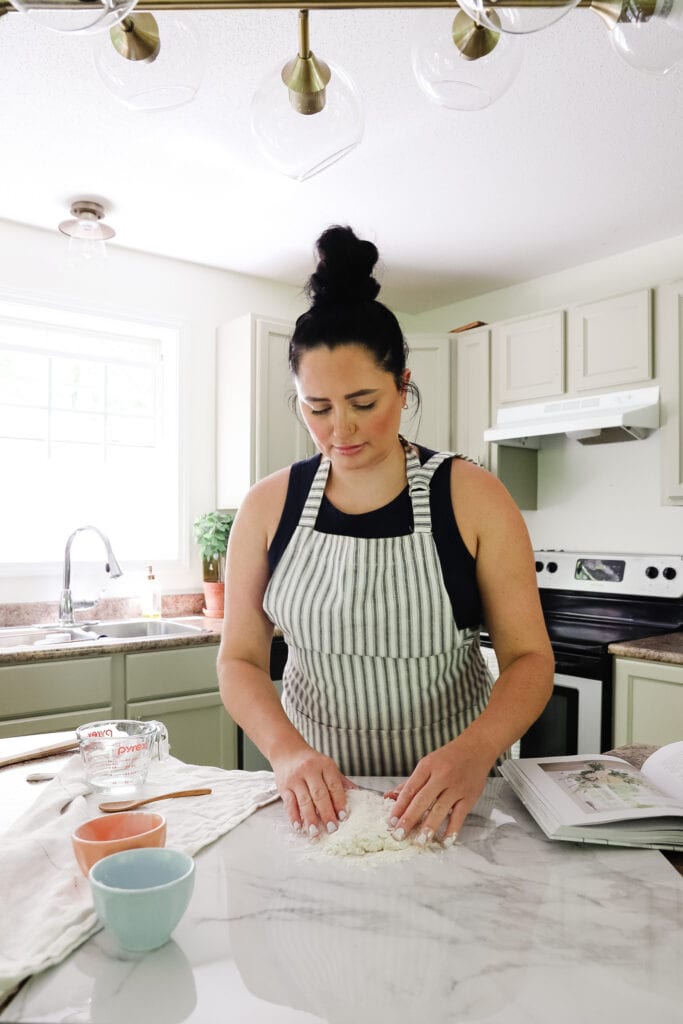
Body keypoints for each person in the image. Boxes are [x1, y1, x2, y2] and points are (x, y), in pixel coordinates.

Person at [217, 225, 554, 846]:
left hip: (451, 797)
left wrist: (477, 751)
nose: (340, 430)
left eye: (363, 401)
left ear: (403, 384)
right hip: (317, 797)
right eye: (316, 408)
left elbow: (530, 660)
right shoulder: (268, 507)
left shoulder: (472, 497)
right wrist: (287, 753)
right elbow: (240, 660)